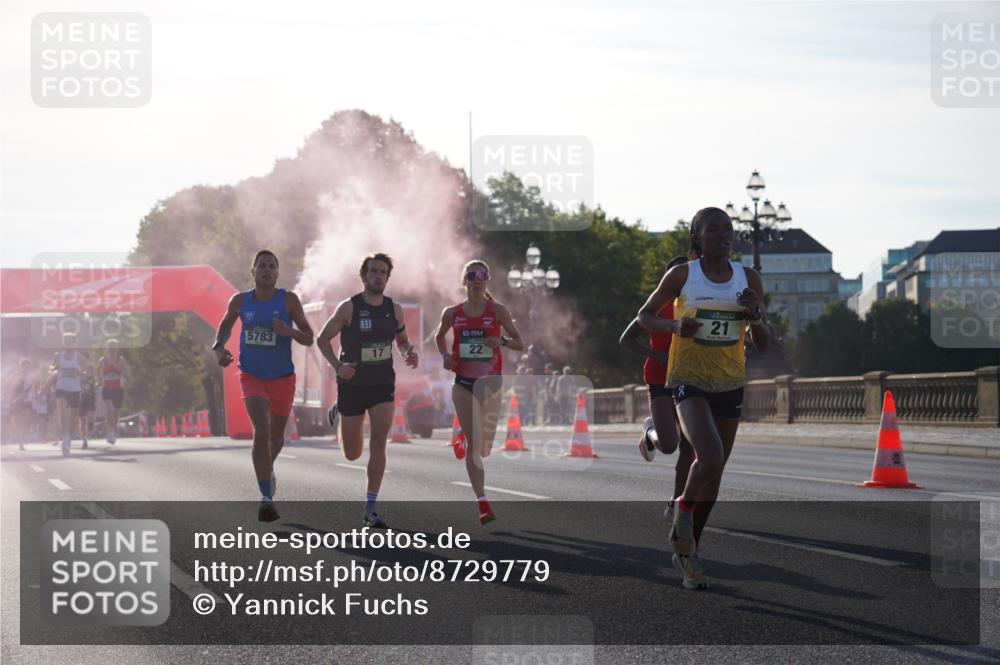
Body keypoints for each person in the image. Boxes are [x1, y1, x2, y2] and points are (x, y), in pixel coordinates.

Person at [638, 206, 769, 589]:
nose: (724, 235)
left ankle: (689, 549)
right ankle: (682, 510)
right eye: (714, 229)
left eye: (729, 229)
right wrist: (675, 325)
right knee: (707, 455)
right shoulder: (683, 275)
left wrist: (755, 315)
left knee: (714, 472)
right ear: (697, 236)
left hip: (730, 382)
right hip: (687, 381)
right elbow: (645, 316)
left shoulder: (749, 278)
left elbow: (762, 343)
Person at [316, 253, 419, 528]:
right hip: (352, 385)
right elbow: (322, 339)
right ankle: (340, 412)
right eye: (373, 271)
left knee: (379, 442)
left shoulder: (394, 309)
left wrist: (409, 352)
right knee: (352, 454)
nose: (378, 276)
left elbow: (403, 341)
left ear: (387, 277)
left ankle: (370, 507)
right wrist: (338, 367)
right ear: (363, 276)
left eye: (383, 272)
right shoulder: (348, 308)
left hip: (382, 383)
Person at [213, 250, 315, 522]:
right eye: (262, 266)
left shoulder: (288, 300)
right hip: (251, 375)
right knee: (262, 428)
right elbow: (224, 326)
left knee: (276, 438)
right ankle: (266, 497)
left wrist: (288, 331)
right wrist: (218, 347)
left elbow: (308, 337)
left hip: (282, 378)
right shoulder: (240, 301)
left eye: (271, 267)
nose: (267, 270)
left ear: (277, 273)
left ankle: (266, 469)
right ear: (253, 271)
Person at [434, 260, 524, 525]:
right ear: (464, 280)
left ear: (487, 281)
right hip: (462, 383)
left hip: (491, 384)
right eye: (472, 275)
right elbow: (439, 337)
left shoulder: (497, 311)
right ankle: (482, 501)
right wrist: (444, 356)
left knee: (484, 448)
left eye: (482, 275)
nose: (477, 279)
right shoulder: (452, 313)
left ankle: (464, 434)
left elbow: (520, 342)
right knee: (475, 444)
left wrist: (503, 341)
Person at [46, 333, 89, 456]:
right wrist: (54, 369)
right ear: (63, 342)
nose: (68, 343)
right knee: (62, 412)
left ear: (74, 343)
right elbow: (51, 368)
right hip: (61, 388)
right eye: (66, 341)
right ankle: (65, 436)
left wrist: (80, 371)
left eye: (70, 341)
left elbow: (87, 372)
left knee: (73, 418)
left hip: (75, 389)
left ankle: (68, 436)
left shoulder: (79, 356)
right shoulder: (58, 356)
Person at [98, 339, 129, 445]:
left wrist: (116, 366)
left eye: (114, 348)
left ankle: (113, 429)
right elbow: (99, 372)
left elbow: (127, 373)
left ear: (117, 349)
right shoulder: (103, 360)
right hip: (107, 388)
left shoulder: (121, 360)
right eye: (110, 348)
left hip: (118, 389)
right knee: (109, 409)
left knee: (115, 412)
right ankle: (110, 431)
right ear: (107, 349)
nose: (111, 350)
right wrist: (100, 381)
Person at [5, 358, 35, 450]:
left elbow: (35, 387)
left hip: (27, 401)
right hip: (16, 401)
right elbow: (8, 386)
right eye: (24, 366)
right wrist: (10, 397)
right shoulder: (15, 375)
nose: (26, 368)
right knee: (16, 422)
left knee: (25, 422)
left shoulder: (32, 376)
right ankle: (17, 437)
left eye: (27, 366)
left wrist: (36, 396)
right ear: (20, 366)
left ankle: (21, 442)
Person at [78, 372, 96, 449]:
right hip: (80, 402)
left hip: (90, 401)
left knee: (90, 420)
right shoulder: (78, 379)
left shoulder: (92, 380)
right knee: (82, 422)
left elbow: (95, 391)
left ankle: (90, 431)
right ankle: (84, 440)